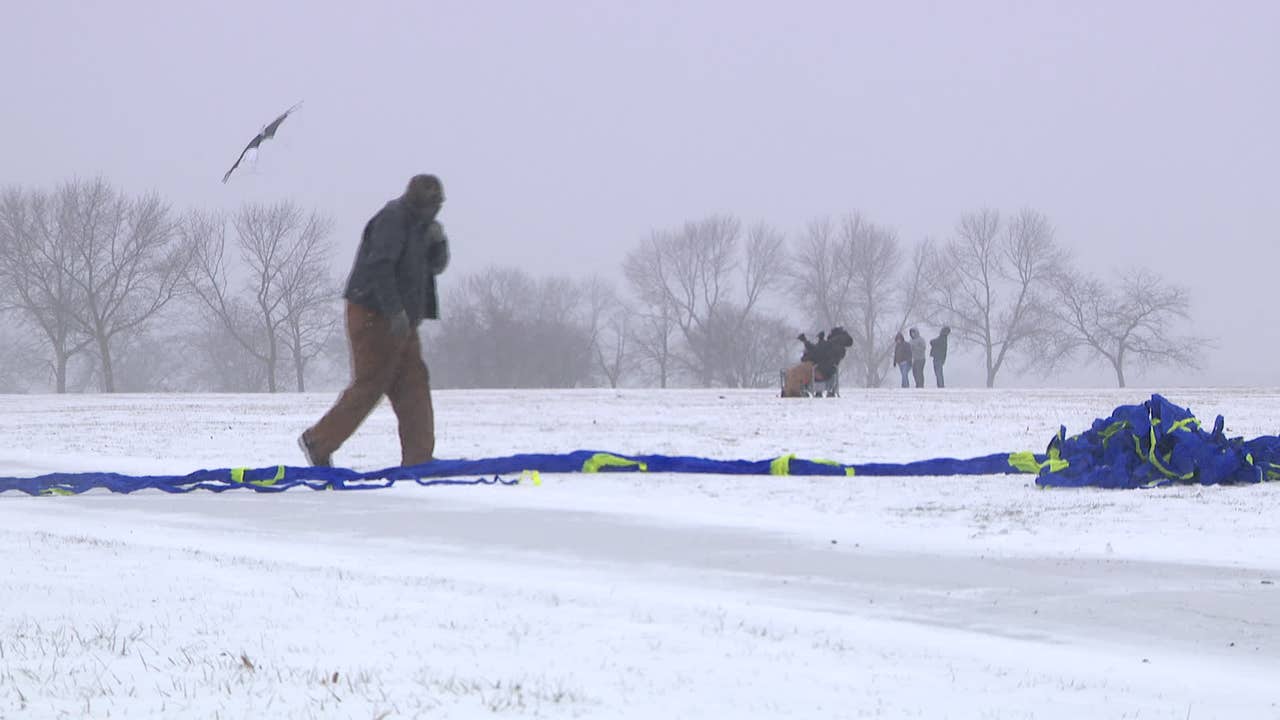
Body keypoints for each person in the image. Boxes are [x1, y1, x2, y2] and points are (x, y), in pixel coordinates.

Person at [299, 174, 451, 467]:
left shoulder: (423, 227)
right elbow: (379, 267)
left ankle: (419, 458)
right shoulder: (393, 220)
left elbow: (435, 266)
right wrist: (394, 312)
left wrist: (439, 242)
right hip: (373, 314)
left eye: (438, 204)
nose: (436, 209)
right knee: (371, 384)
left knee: (413, 384)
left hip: (403, 319)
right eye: (432, 204)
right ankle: (317, 441)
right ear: (417, 201)